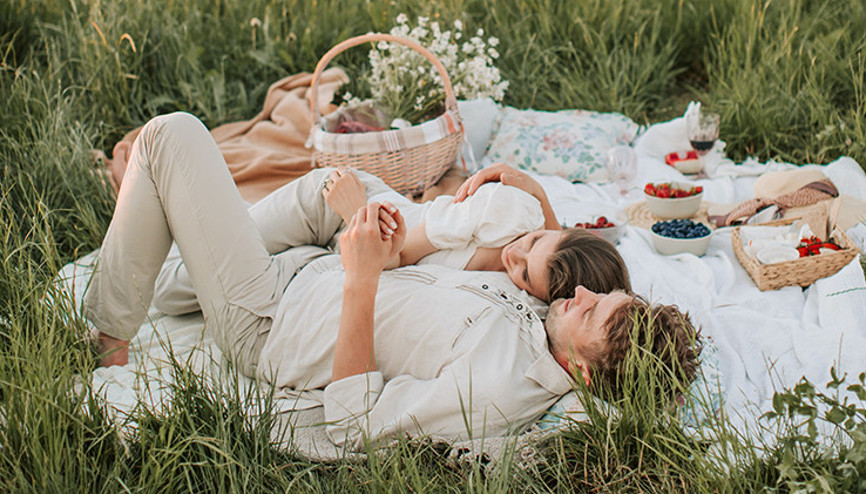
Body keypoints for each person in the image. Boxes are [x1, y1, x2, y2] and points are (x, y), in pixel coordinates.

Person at [85, 112, 700, 449]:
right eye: (599, 295)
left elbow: (354, 424)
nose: (579, 297)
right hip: (311, 265)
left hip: (269, 320)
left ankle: (107, 332)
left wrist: (361, 279)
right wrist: (533, 194)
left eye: (591, 311)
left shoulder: (496, 389)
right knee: (179, 265)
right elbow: (564, 262)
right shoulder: (552, 324)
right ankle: (164, 246)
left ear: (585, 374)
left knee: (171, 136)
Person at [149, 162, 630, 316]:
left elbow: (554, 260)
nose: (514, 256)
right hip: (345, 205)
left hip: (344, 249)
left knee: (215, 274)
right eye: (533, 242)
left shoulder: (539, 298)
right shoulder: (499, 217)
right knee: (172, 289)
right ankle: (164, 182)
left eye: (524, 273)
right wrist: (536, 196)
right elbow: (397, 255)